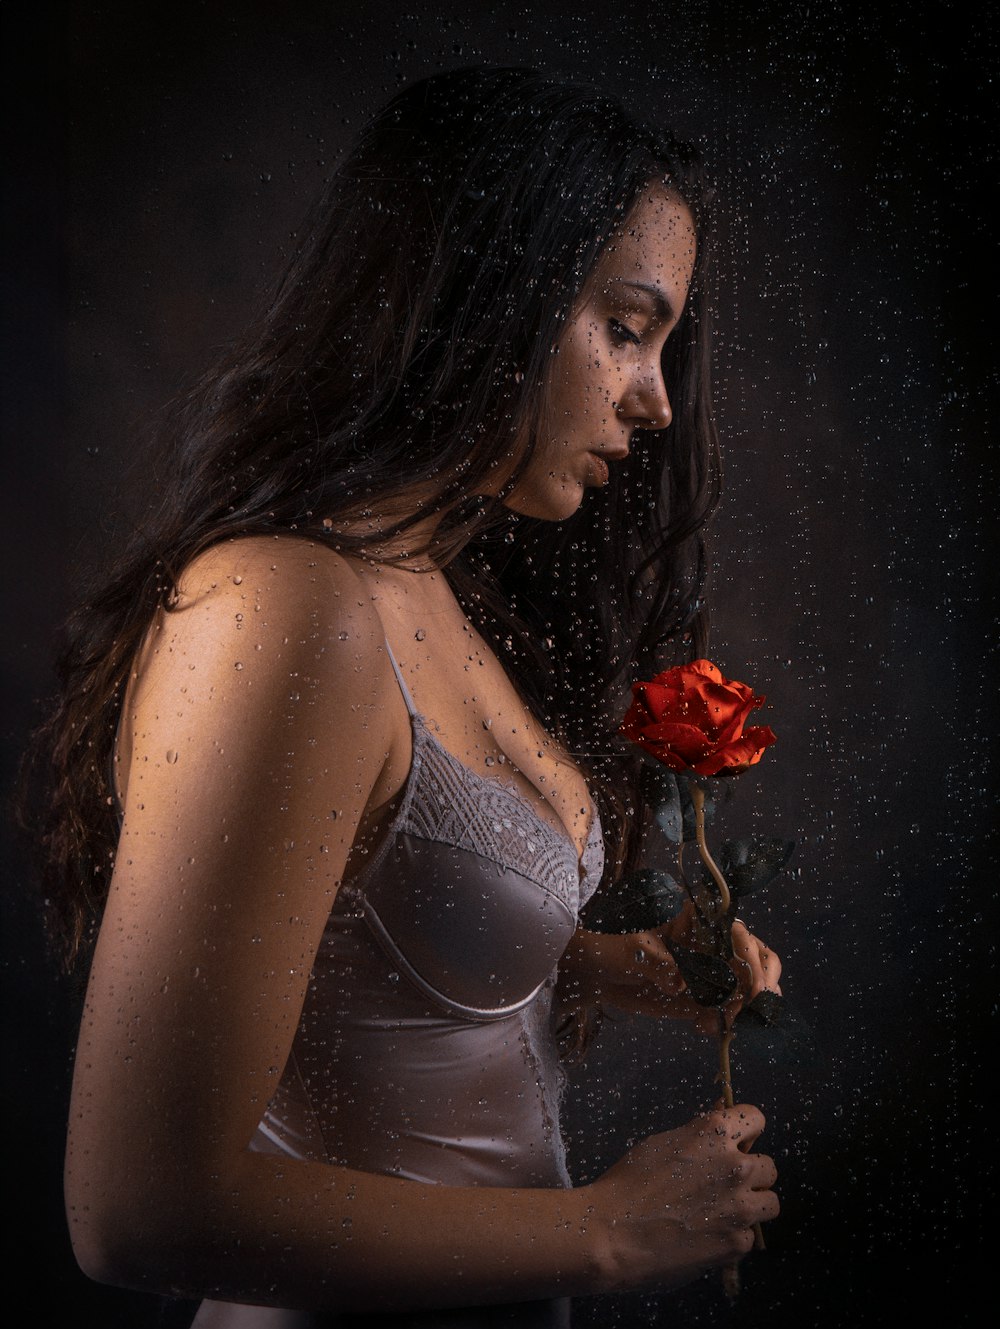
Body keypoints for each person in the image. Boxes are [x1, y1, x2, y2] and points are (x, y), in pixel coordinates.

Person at [27, 65, 782, 1327]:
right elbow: (140, 1207)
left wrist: (592, 963)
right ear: (484, 293)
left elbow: (359, 941)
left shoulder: (428, 593)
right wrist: (601, 1231)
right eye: (626, 326)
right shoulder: (284, 609)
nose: (652, 398)